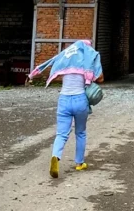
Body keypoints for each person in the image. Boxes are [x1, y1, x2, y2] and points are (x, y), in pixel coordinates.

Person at [34, 40, 104, 179]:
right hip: (80, 99)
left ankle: (55, 156)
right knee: (81, 132)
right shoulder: (88, 59)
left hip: (64, 99)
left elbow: (58, 75)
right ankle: (79, 163)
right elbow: (100, 78)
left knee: (61, 133)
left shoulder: (65, 58)